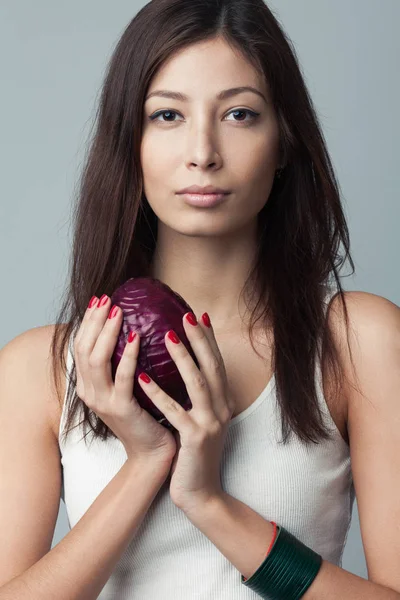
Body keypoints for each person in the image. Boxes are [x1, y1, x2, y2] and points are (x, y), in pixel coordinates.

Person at [1, 0, 399, 598]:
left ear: (285, 140)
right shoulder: (41, 368)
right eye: (167, 116)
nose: (202, 152)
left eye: (240, 113)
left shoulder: (358, 341)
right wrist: (146, 463)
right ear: (128, 142)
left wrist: (209, 503)